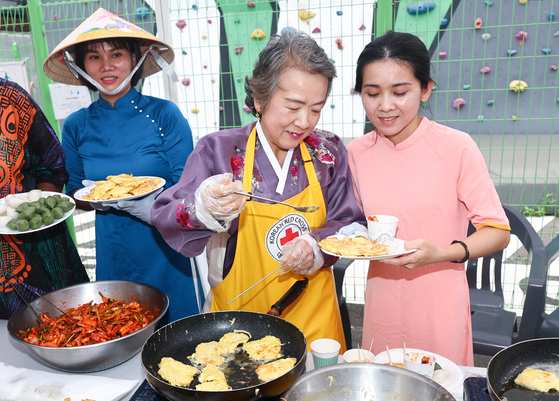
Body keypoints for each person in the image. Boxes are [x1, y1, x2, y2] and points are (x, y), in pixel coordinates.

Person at [151, 31, 365, 352]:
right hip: (238, 323)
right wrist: (204, 208)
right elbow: (165, 214)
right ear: (261, 99)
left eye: (316, 109)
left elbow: (350, 223)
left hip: (316, 325)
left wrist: (316, 246)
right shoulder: (220, 151)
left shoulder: (327, 151)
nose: (304, 122)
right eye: (293, 106)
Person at [347, 30, 511, 366]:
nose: (385, 106)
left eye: (400, 91)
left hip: (440, 304)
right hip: (382, 303)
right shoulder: (356, 153)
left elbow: (498, 231)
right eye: (372, 93)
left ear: (426, 89)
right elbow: (350, 225)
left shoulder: (456, 147)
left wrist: (442, 253)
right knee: (383, 381)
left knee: (440, 383)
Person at [42, 8, 200, 325]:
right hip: (113, 250)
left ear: (135, 59)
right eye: (94, 57)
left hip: (165, 248)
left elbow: (190, 188)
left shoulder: (165, 115)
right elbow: (74, 191)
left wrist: (152, 206)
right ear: (81, 65)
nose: (107, 66)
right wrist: (95, 197)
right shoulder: (75, 125)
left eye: (116, 54)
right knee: (121, 334)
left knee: (178, 343)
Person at [0, 78, 90, 319]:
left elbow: (52, 164)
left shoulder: (9, 98)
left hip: (34, 256)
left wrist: (36, 216)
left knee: (64, 330)